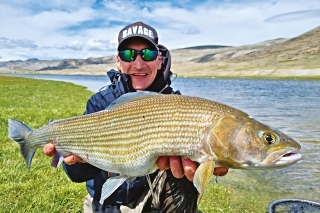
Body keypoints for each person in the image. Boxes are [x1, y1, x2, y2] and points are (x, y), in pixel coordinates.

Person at [43, 21, 228, 213]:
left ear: (159, 59)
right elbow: (77, 176)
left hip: (151, 200)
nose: (138, 64)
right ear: (118, 61)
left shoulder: (176, 104)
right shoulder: (99, 103)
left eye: (147, 54)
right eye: (128, 54)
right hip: (106, 203)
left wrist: (210, 160)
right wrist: (78, 159)